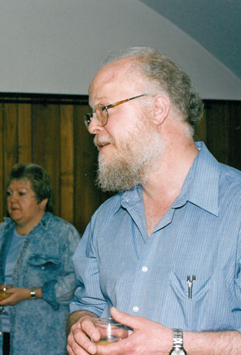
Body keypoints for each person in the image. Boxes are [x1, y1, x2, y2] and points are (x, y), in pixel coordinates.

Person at [66, 47, 241, 355]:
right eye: (91, 115)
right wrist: (82, 326)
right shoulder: (107, 218)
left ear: (158, 109)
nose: (94, 126)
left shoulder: (235, 206)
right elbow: (86, 304)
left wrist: (179, 345)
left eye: (105, 108)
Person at [0, 162, 81, 355]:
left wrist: (30, 293)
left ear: (42, 200)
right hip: (1, 341)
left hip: (44, 344)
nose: (12, 200)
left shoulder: (62, 233)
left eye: (21, 194)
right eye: (9, 193)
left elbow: (74, 284)